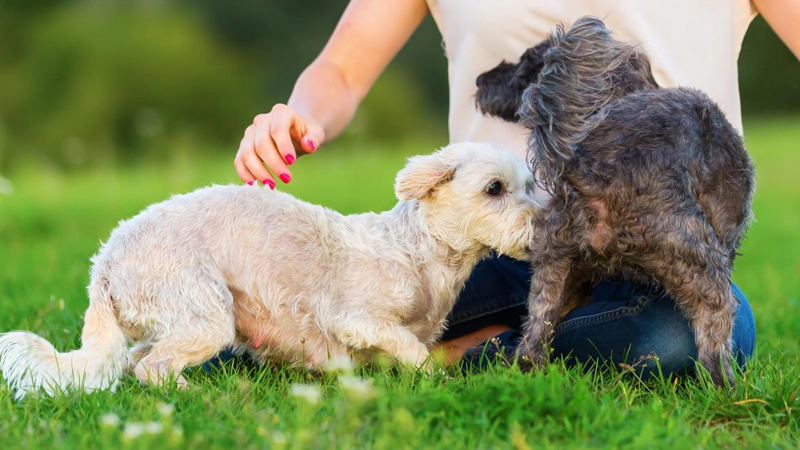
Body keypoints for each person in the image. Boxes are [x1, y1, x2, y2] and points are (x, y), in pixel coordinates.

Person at [228, 0, 800, 377]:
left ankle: (459, 355)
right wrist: (297, 117)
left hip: (654, 255)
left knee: (675, 341)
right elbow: (343, 71)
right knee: (262, 326)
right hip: (483, 247)